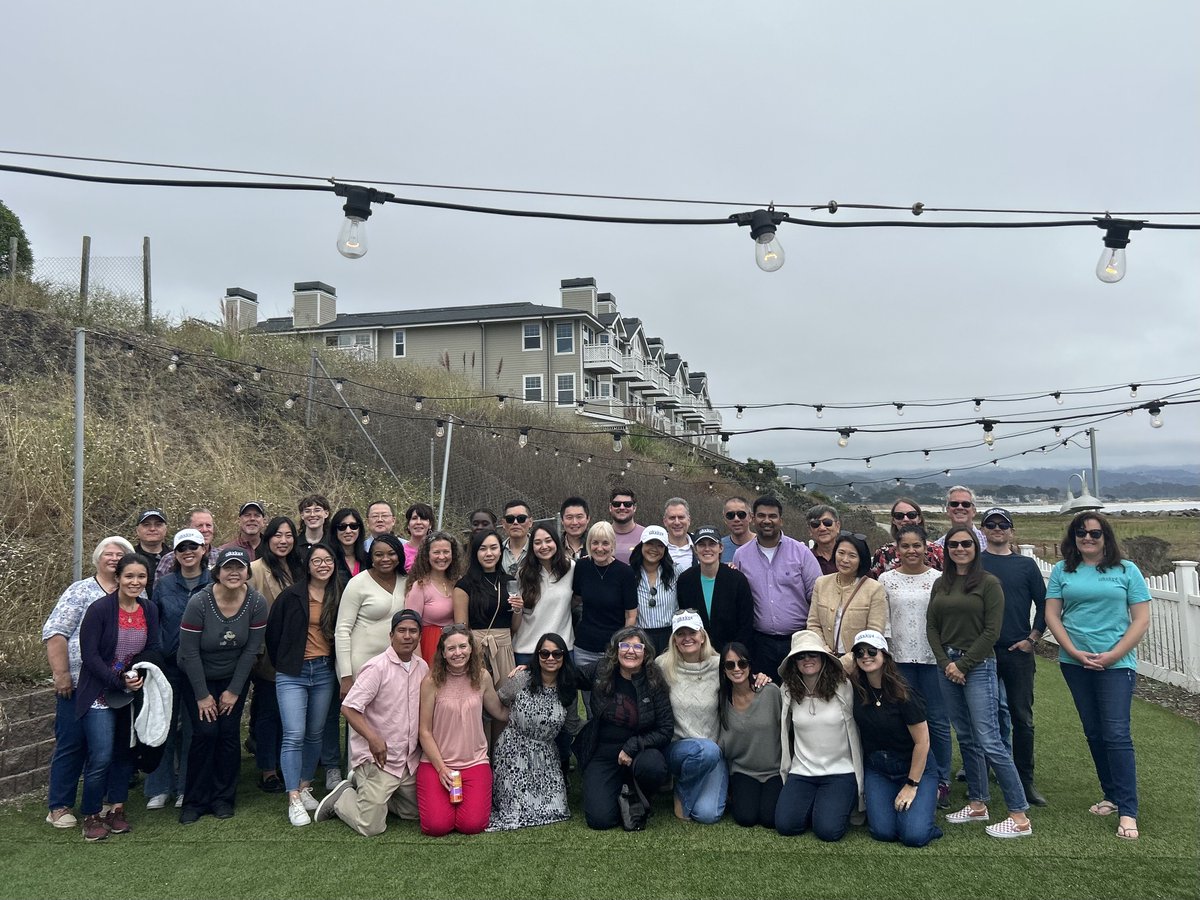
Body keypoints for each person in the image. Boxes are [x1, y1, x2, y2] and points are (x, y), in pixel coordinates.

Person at [1044, 512, 1150, 841]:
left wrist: (1115, 654)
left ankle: (1128, 810)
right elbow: (1052, 614)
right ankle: (1112, 795)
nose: (1087, 538)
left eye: (1094, 533)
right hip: (1075, 663)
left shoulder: (1126, 570)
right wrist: (1074, 652)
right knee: (1094, 732)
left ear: (1106, 536)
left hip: (1116, 665)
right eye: (1081, 533)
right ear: (1072, 537)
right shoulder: (1063, 570)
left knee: (1116, 734)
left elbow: (1141, 619)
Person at [927, 526, 1032, 838]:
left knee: (990, 741)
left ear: (976, 548)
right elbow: (931, 626)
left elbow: (992, 631)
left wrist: (963, 664)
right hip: (947, 665)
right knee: (967, 738)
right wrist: (947, 664)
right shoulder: (940, 583)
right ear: (946, 550)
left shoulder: (989, 583)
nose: (960, 549)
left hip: (978, 666)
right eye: (954, 544)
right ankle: (977, 803)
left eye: (966, 544)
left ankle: (1019, 815)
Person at [42, 535, 135, 830]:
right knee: (72, 743)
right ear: (97, 559)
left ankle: (107, 803)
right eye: (108, 553)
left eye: (120, 554)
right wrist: (61, 674)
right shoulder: (80, 591)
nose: (113, 558)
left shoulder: (136, 593)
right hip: (79, 683)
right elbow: (56, 632)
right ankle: (59, 805)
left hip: (117, 685)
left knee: (111, 747)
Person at [313, 610, 428, 836]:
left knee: (418, 813)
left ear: (420, 636)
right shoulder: (377, 667)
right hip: (380, 759)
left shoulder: (422, 667)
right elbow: (349, 708)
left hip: (407, 762)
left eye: (413, 631)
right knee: (371, 826)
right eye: (401, 631)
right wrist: (373, 738)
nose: (407, 636)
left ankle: (372, 795)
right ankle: (344, 796)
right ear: (391, 635)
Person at [177, 547, 268, 824]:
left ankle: (223, 799)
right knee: (205, 733)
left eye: (239, 568)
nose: (233, 572)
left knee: (228, 734)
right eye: (227, 568)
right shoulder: (199, 602)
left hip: (233, 677)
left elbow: (251, 650)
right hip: (197, 675)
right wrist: (203, 696)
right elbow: (188, 652)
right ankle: (194, 801)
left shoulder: (256, 603)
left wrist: (234, 691)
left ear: (247, 573)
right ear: (216, 572)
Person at [75, 553, 160, 841]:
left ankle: (117, 809)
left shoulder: (149, 609)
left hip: (130, 693)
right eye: (129, 576)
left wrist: (138, 675)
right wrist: (117, 679)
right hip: (99, 692)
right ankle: (91, 814)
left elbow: (152, 647)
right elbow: (90, 656)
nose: (135, 582)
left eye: (141, 577)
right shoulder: (99, 610)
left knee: (125, 753)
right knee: (100, 755)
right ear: (118, 577)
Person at [265, 543, 342, 826]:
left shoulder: (339, 594)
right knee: (294, 734)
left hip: (324, 671)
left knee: (315, 732)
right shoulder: (291, 596)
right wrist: (285, 663)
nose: (323, 565)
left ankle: (306, 785)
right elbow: (273, 635)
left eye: (328, 559)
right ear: (307, 565)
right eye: (317, 560)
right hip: (293, 674)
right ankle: (293, 797)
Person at [878, 523, 952, 809]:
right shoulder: (886, 580)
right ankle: (909, 776)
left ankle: (942, 780)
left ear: (926, 547)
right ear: (897, 549)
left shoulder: (940, 579)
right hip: (899, 662)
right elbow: (883, 622)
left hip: (933, 660)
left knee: (937, 721)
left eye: (916, 545)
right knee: (904, 722)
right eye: (905, 546)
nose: (911, 550)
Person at [979, 506, 1048, 807]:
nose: (997, 529)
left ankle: (1025, 780)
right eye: (991, 524)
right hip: (981, 653)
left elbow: (1045, 605)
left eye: (1002, 524)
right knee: (982, 717)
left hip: (1017, 652)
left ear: (1011, 530)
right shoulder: (973, 563)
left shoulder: (1026, 565)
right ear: (982, 529)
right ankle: (979, 777)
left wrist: (1032, 638)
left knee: (1022, 718)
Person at [849, 629, 942, 847]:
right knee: (883, 832)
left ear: (885, 656)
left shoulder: (904, 693)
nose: (865, 656)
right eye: (859, 652)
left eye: (872, 651)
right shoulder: (855, 689)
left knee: (913, 836)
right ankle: (913, 810)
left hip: (913, 767)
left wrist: (912, 784)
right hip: (878, 769)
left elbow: (923, 742)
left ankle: (926, 805)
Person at [576, 627, 673, 831]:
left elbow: (665, 729)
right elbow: (569, 676)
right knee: (601, 820)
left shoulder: (654, 681)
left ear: (645, 653)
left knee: (653, 766)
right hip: (602, 751)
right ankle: (619, 789)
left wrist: (633, 746)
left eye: (638, 646)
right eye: (625, 645)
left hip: (640, 752)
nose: (631, 651)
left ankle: (639, 793)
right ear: (616, 650)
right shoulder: (602, 670)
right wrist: (532, 668)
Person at [416, 624, 508, 836]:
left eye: (462, 646)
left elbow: (500, 712)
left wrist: (526, 678)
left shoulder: (482, 677)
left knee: (472, 826)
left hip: (474, 762)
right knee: (436, 827)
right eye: (451, 648)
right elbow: (425, 732)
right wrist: (441, 769)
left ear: (471, 649)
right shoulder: (431, 682)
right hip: (437, 763)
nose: (458, 653)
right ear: (443, 653)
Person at [144, 528, 212, 809]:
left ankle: (186, 787)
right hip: (169, 665)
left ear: (203, 550)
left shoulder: (212, 582)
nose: (188, 552)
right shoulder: (164, 585)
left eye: (193, 547)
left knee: (194, 729)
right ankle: (159, 787)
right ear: (175, 553)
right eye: (182, 548)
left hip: (201, 666)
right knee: (164, 725)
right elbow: (154, 621)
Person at [487, 632, 581, 831]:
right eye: (544, 653)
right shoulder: (522, 678)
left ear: (564, 656)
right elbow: (500, 699)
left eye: (557, 654)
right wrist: (512, 719)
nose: (550, 658)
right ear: (537, 655)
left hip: (545, 755)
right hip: (513, 752)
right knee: (515, 812)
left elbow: (572, 725)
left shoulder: (568, 688)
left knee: (557, 810)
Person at [656, 610, 743, 824]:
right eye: (680, 633)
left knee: (707, 815)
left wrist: (761, 677)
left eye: (692, 632)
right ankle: (682, 790)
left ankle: (695, 781)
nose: (687, 638)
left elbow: (744, 680)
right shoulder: (662, 666)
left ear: (702, 635)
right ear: (674, 640)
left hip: (713, 750)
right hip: (678, 749)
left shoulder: (720, 665)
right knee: (706, 750)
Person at [775, 630, 863, 841]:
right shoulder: (787, 690)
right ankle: (818, 804)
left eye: (812, 654)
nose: (807, 660)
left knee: (828, 831)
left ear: (823, 658)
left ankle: (828, 805)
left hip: (840, 771)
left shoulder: (844, 687)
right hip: (802, 772)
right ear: (793, 662)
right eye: (801, 656)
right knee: (786, 826)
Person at [733, 495, 822, 680]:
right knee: (767, 694)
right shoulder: (741, 556)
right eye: (761, 516)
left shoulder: (801, 552)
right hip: (760, 643)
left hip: (798, 641)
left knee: (799, 694)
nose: (767, 521)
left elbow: (817, 596)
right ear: (752, 518)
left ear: (781, 520)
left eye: (772, 516)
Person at [246, 516, 301, 795]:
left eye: (289, 535)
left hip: (297, 652)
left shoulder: (299, 567)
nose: (283, 540)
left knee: (288, 714)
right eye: (278, 535)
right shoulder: (256, 569)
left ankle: (285, 763)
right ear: (268, 539)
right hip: (267, 654)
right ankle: (268, 769)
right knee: (268, 711)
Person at [717, 642, 782, 829]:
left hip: (774, 770)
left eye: (742, 663)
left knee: (770, 819)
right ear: (723, 670)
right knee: (746, 818)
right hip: (742, 771)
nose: (737, 669)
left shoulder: (771, 692)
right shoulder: (721, 700)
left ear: (750, 665)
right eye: (730, 665)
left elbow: (788, 731)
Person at [336, 535, 409, 698]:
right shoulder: (357, 583)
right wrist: (346, 676)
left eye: (391, 553)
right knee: (360, 719)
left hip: (395, 663)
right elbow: (342, 630)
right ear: (371, 557)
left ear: (400, 555)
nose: (386, 559)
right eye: (378, 554)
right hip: (361, 663)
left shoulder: (407, 582)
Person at [806, 532, 888, 670]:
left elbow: (874, 632)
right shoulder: (821, 583)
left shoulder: (874, 588)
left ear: (861, 559)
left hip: (859, 664)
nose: (844, 559)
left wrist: (850, 659)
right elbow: (813, 623)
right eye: (841, 553)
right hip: (826, 660)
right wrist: (822, 648)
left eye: (852, 556)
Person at [454, 530, 516, 693]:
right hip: (476, 648)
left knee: (505, 700)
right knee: (477, 698)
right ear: (475, 553)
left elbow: (515, 626)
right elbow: (461, 627)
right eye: (483, 549)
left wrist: (519, 609)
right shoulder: (464, 585)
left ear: (500, 551)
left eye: (494, 548)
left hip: (504, 647)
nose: (489, 553)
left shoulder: (510, 582)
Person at [571, 521, 638, 671]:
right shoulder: (582, 567)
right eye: (595, 543)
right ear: (589, 544)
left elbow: (631, 615)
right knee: (587, 694)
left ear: (613, 544)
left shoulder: (625, 573)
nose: (600, 548)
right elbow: (575, 599)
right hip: (584, 648)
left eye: (605, 543)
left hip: (612, 649)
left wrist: (622, 644)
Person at [678, 526, 755, 651]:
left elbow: (746, 623)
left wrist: (736, 653)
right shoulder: (685, 580)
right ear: (695, 549)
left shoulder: (736, 579)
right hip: (697, 652)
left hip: (731, 654)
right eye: (702, 545)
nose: (707, 549)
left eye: (712, 544)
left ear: (721, 548)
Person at [512, 525, 575, 665]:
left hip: (562, 648)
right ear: (531, 547)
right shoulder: (523, 573)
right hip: (527, 650)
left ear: (556, 542)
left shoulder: (570, 568)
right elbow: (518, 615)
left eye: (548, 540)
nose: (544, 546)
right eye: (537, 542)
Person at [404, 531, 462, 665]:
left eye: (446, 552)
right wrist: (418, 665)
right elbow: (412, 627)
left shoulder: (458, 582)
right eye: (436, 552)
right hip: (429, 648)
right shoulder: (419, 587)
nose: (442, 557)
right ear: (427, 555)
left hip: (455, 648)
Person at [629, 525, 678, 654]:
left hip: (669, 637)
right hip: (639, 637)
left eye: (660, 545)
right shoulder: (629, 573)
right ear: (641, 545)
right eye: (650, 543)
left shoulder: (676, 572)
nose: (654, 549)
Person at [869, 497, 944, 578]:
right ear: (893, 520)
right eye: (899, 516)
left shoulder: (937, 552)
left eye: (911, 515)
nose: (905, 519)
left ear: (919, 519)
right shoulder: (883, 554)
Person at [155, 507, 219, 579]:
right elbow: (159, 588)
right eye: (199, 526)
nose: (205, 530)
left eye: (208, 525)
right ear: (188, 528)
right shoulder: (169, 560)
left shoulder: (221, 556)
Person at [132, 508, 168, 597]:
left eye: (158, 525)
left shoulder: (175, 557)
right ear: (137, 530)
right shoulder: (129, 556)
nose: (152, 529)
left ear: (166, 529)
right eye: (146, 525)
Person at [330, 507, 369, 583]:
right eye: (342, 527)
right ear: (335, 530)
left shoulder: (368, 559)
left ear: (359, 529)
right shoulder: (328, 559)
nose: (348, 531)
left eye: (353, 526)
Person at [608, 487, 644, 564]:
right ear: (610, 507)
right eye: (616, 504)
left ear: (634, 508)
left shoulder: (645, 535)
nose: (622, 507)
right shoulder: (601, 534)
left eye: (627, 504)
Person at [804, 505, 841, 575]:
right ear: (810, 530)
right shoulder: (805, 559)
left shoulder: (851, 557)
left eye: (827, 522)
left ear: (837, 526)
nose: (822, 528)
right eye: (815, 524)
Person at [499, 499, 533, 577]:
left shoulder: (541, 549)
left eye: (521, 518)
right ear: (503, 523)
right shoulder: (496, 552)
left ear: (530, 522)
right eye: (510, 519)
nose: (515, 522)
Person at [662, 497, 696, 574]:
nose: (677, 522)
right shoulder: (658, 546)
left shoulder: (700, 544)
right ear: (665, 521)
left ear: (689, 520)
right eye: (672, 518)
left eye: (681, 517)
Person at [720, 496, 754, 564]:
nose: (736, 519)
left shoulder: (763, 545)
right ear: (725, 519)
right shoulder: (718, 547)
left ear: (750, 517)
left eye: (741, 514)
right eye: (730, 515)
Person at [402, 502, 434, 570]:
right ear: (408, 525)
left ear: (430, 525)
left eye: (423, 518)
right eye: (414, 518)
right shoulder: (401, 551)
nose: (418, 522)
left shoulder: (437, 550)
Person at [559, 496, 591, 560]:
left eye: (579, 517)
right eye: (569, 517)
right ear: (562, 520)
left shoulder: (597, 546)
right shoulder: (555, 548)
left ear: (588, 519)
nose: (574, 522)